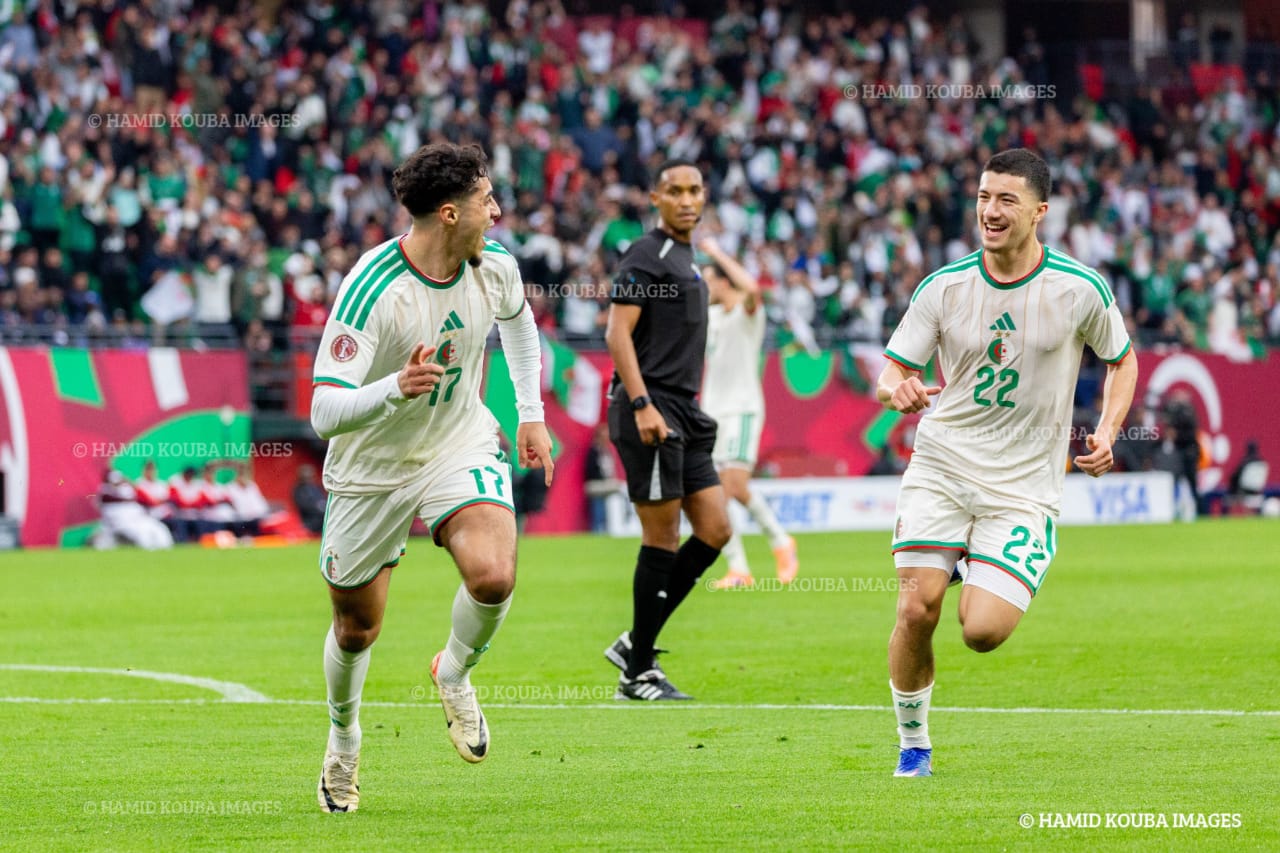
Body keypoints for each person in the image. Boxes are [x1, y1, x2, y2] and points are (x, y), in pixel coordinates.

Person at [876, 148, 1137, 777]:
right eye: (984, 198)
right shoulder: (943, 286)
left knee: (982, 632)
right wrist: (898, 390)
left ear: (1039, 212)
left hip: (1023, 487)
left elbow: (1121, 360)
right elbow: (891, 373)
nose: (990, 212)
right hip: (942, 465)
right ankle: (914, 746)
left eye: (1006, 201)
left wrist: (1106, 432)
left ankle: (966, 565)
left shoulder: (1080, 289)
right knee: (916, 609)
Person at [309, 142, 553, 812]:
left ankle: (454, 672)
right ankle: (344, 740)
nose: (497, 210)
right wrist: (394, 386)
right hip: (372, 466)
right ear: (449, 213)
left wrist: (529, 414)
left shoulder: (493, 264)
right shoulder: (372, 286)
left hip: (457, 438)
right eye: (485, 199)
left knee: (494, 574)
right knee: (357, 628)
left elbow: (521, 328)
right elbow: (323, 408)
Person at [602, 159, 732, 701]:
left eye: (695, 190)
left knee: (716, 529)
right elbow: (616, 333)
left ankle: (637, 640)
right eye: (674, 191)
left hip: (686, 410)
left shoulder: (686, 257)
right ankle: (637, 674)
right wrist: (641, 404)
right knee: (662, 537)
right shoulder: (646, 254)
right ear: (655, 198)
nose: (686, 199)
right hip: (651, 409)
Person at [698, 236, 798, 589]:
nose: (703, 285)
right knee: (716, 493)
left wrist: (717, 252)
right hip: (711, 413)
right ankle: (739, 568)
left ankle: (780, 541)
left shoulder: (747, 312)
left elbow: (753, 288)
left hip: (741, 409)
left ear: (724, 280)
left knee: (734, 486)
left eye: (709, 278)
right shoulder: (709, 315)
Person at [91, 468, 174, 550]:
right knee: (142, 534)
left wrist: (128, 483)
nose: (117, 483)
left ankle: (166, 550)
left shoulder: (126, 489)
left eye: (119, 480)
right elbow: (107, 498)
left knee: (160, 528)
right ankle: (148, 555)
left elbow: (143, 497)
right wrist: (128, 500)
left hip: (138, 518)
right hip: (120, 523)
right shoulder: (105, 490)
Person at [293, 464, 327, 534]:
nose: (309, 478)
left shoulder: (316, 487)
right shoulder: (298, 490)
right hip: (310, 519)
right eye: (306, 477)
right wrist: (318, 508)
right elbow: (303, 505)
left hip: (322, 515)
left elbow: (323, 499)